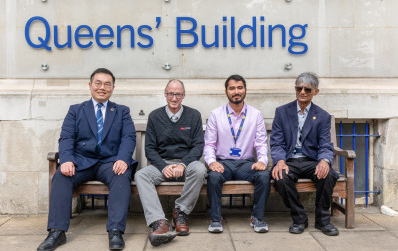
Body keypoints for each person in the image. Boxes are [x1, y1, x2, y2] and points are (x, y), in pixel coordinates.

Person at [37, 68, 136, 251]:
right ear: (90, 85)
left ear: (113, 88)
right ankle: (57, 231)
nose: (102, 87)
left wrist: (123, 159)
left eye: (107, 84)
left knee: (122, 175)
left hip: (109, 162)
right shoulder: (76, 110)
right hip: (82, 161)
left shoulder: (121, 111)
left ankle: (115, 230)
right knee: (61, 175)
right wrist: (66, 159)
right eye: (98, 83)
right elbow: (66, 138)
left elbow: (129, 138)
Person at [134, 79, 206, 247]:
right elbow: (150, 149)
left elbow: (198, 146)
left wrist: (183, 164)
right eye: (171, 94)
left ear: (184, 95)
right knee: (141, 175)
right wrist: (164, 166)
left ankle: (180, 213)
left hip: (186, 164)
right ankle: (159, 221)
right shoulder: (155, 116)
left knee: (200, 169)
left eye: (178, 94)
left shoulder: (193, 115)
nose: (174, 98)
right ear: (165, 94)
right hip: (163, 165)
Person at [270, 72, 339, 236]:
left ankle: (323, 221)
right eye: (299, 88)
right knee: (280, 177)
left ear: (315, 92)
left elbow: (325, 144)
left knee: (327, 174)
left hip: (311, 160)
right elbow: (277, 142)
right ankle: (299, 218)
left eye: (307, 89)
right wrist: (279, 160)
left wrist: (324, 161)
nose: (302, 92)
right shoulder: (282, 112)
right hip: (289, 160)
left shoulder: (322, 116)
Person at [204, 74, 270, 233]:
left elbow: (261, 142)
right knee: (213, 176)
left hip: (246, 164)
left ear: (245, 90)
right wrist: (212, 162)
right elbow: (209, 144)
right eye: (232, 88)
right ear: (226, 91)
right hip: (223, 163)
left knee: (264, 175)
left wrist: (262, 161)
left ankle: (257, 218)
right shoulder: (216, 114)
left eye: (239, 87)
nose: (236, 91)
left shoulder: (255, 115)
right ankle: (215, 218)